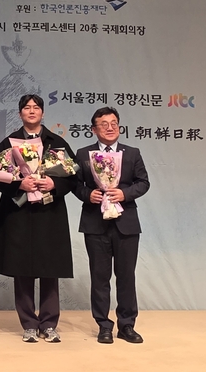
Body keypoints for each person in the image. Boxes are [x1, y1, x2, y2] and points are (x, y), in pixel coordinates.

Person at [0, 94, 75, 343]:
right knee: (21, 268)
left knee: (50, 268)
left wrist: (53, 184)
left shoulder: (56, 142)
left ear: (43, 113)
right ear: (20, 114)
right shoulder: (8, 142)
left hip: (49, 213)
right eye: (26, 108)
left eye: (36, 107)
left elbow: (72, 176)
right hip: (19, 213)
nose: (32, 111)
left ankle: (49, 324)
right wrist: (19, 184)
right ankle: (28, 323)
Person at [73, 106, 150, 344]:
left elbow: (143, 182)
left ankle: (127, 325)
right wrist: (88, 195)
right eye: (104, 124)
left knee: (126, 277)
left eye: (114, 123)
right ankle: (104, 325)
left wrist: (124, 194)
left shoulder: (132, 153)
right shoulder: (83, 154)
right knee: (100, 277)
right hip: (95, 224)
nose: (110, 127)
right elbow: (74, 184)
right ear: (93, 129)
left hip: (126, 224)